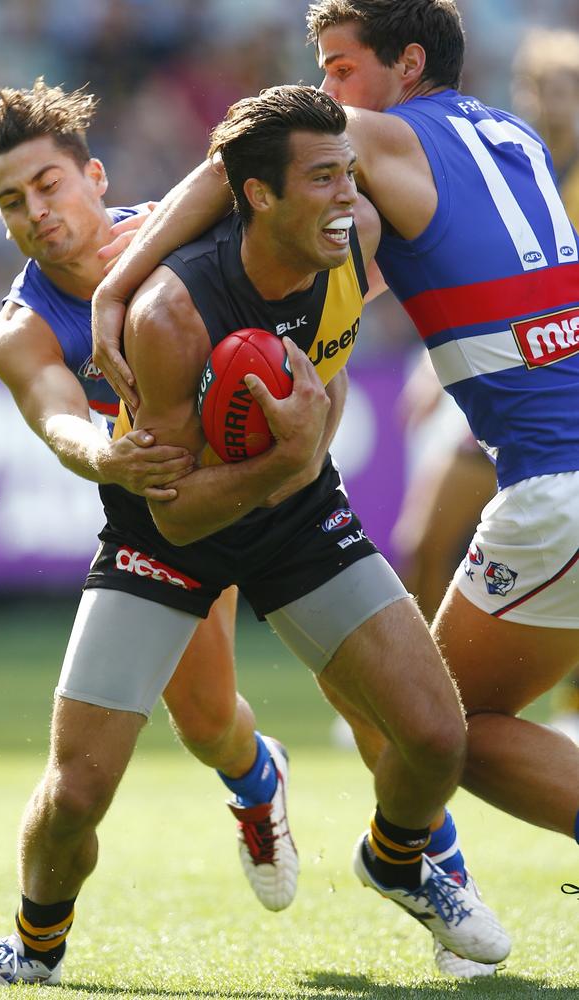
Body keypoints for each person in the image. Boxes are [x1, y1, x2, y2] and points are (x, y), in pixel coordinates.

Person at [91, 0, 579, 975]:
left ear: (404, 63)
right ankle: (408, 858)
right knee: (431, 712)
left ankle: (398, 856)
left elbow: (237, 160)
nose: (326, 94)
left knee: (440, 731)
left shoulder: (378, 135)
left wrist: (117, 283)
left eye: (339, 68)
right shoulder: (511, 136)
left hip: (554, 488)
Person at [0, 79, 304, 987]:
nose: (37, 213)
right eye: (12, 202)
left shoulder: (180, 235)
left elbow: (255, 163)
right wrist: (108, 454)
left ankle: (423, 861)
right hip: (165, 516)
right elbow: (58, 420)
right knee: (202, 726)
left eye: (50, 185)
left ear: (95, 177)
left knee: (399, 705)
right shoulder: (20, 327)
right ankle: (257, 783)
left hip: (280, 490)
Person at [510, 26, 579, 743]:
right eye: (536, 90)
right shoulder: (522, 173)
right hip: (523, 370)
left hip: (559, 376)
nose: (548, 105)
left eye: (560, 90)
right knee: (425, 534)